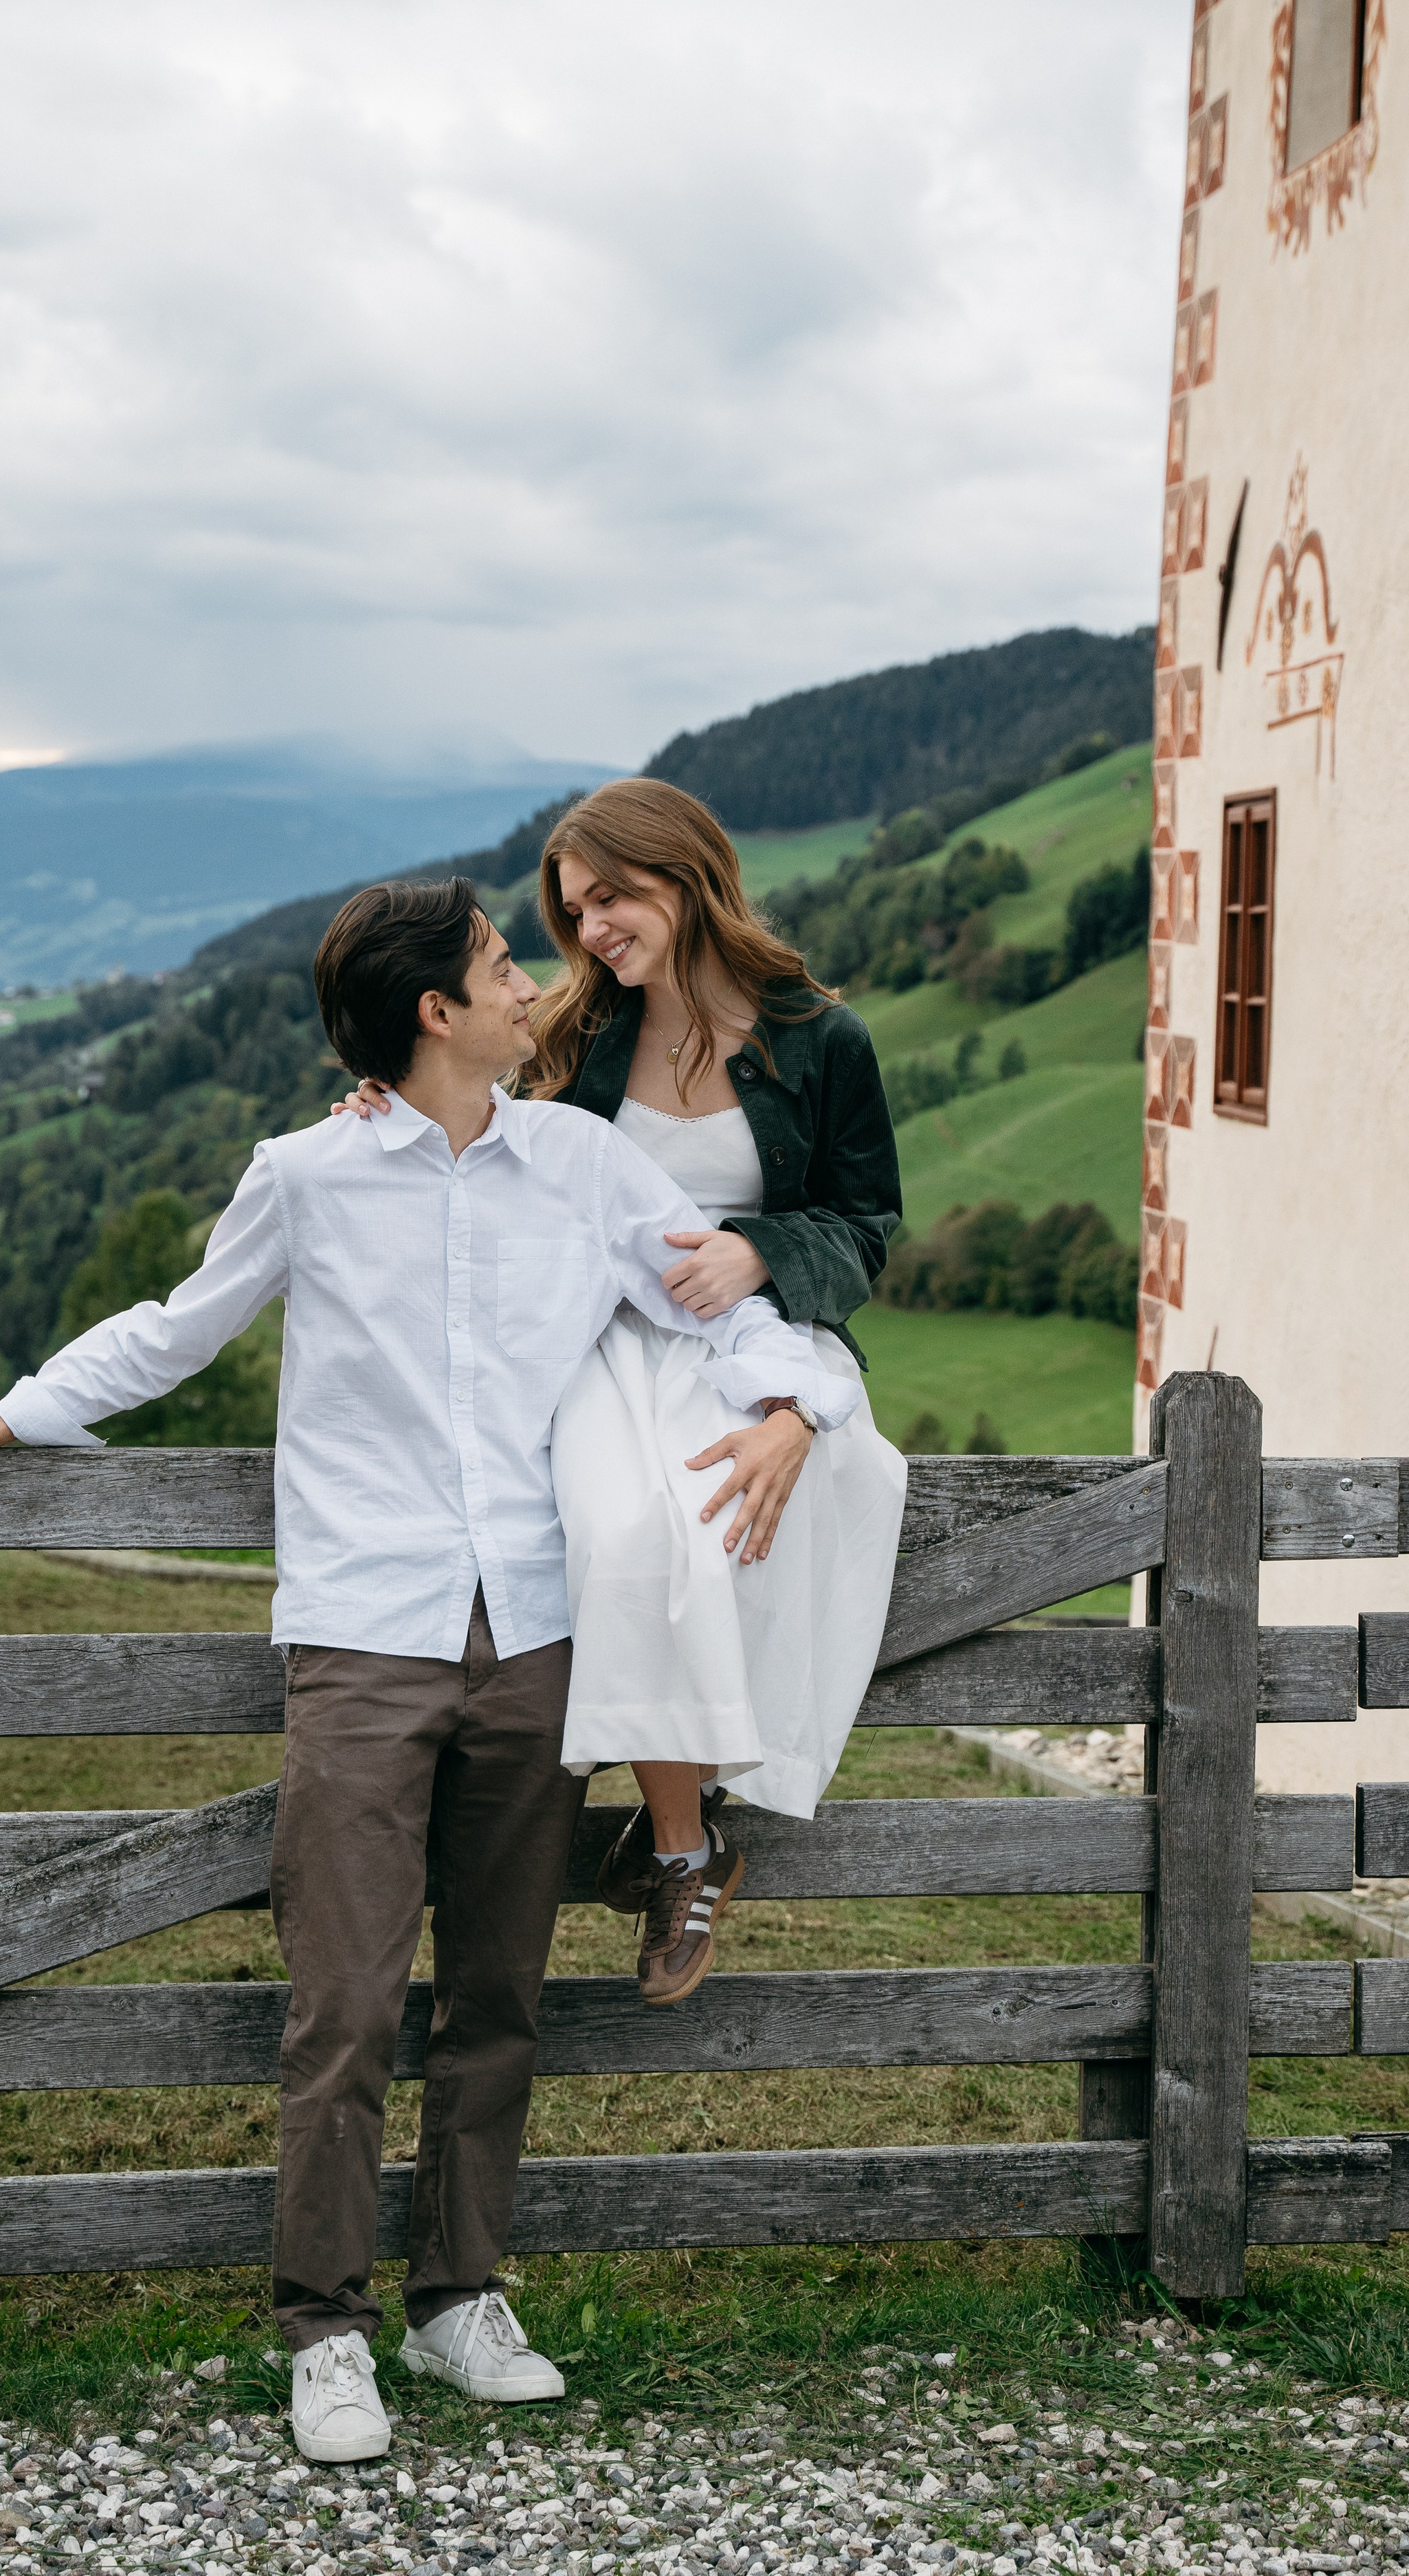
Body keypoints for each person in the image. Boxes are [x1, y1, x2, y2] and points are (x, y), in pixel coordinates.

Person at [0, 878, 854, 2463]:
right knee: (344, 2002)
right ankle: (326, 2330)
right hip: (363, 1635)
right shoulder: (303, 1177)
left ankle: (460, 2302)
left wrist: (799, 1406)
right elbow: (178, 1330)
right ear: (432, 1017)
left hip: (530, 1625)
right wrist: (9, 1413)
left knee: (502, 1992)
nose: (532, 984)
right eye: (498, 965)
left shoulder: (580, 1163)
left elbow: (710, 1310)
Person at [334, 780, 907, 2007]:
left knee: (773, 1505)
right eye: (573, 909)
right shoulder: (577, 1027)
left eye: (611, 896)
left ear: (686, 874)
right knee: (625, 1530)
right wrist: (375, 1098)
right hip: (606, 1340)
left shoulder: (821, 1039)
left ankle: (693, 1809)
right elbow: (465, 1098)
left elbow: (868, 1222)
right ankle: (685, 1840)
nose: (589, 931)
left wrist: (765, 1253)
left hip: (767, 1335)